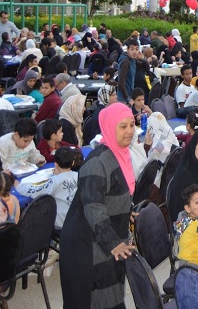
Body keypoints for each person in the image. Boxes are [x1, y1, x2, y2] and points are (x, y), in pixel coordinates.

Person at [60, 103, 138, 309]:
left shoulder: (120, 153)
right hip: (87, 242)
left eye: (132, 125)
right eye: (123, 126)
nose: (130, 131)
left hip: (105, 234)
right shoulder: (97, 161)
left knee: (109, 295)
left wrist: (125, 210)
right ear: (110, 127)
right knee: (90, 298)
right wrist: (112, 243)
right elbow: (93, 205)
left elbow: (114, 192)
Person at [15, 145, 79, 230]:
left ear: (55, 163)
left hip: (62, 222)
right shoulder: (79, 176)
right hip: (77, 218)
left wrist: (18, 185)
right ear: (73, 163)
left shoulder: (55, 181)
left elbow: (34, 191)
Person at [173, 183, 198, 265]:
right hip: (193, 267)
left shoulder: (184, 220)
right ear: (187, 208)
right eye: (197, 202)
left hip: (184, 262)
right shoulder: (194, 225)